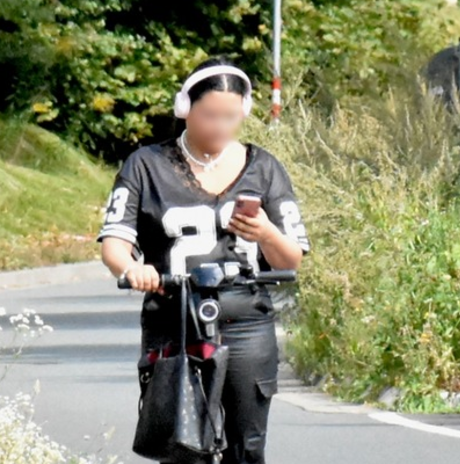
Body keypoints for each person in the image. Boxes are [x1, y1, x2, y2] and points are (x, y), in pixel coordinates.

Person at [98, 58, 311, 464]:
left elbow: (291, 260)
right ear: (185, 109)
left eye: (231, 117)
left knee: (247, 448)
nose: (220, 126)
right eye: (210, 115)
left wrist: (265, 232)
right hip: (173, 320)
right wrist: (132, 269)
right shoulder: (146, 165)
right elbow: (114, 242)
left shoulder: (264, 168)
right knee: (183, 447)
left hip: (246, 320)